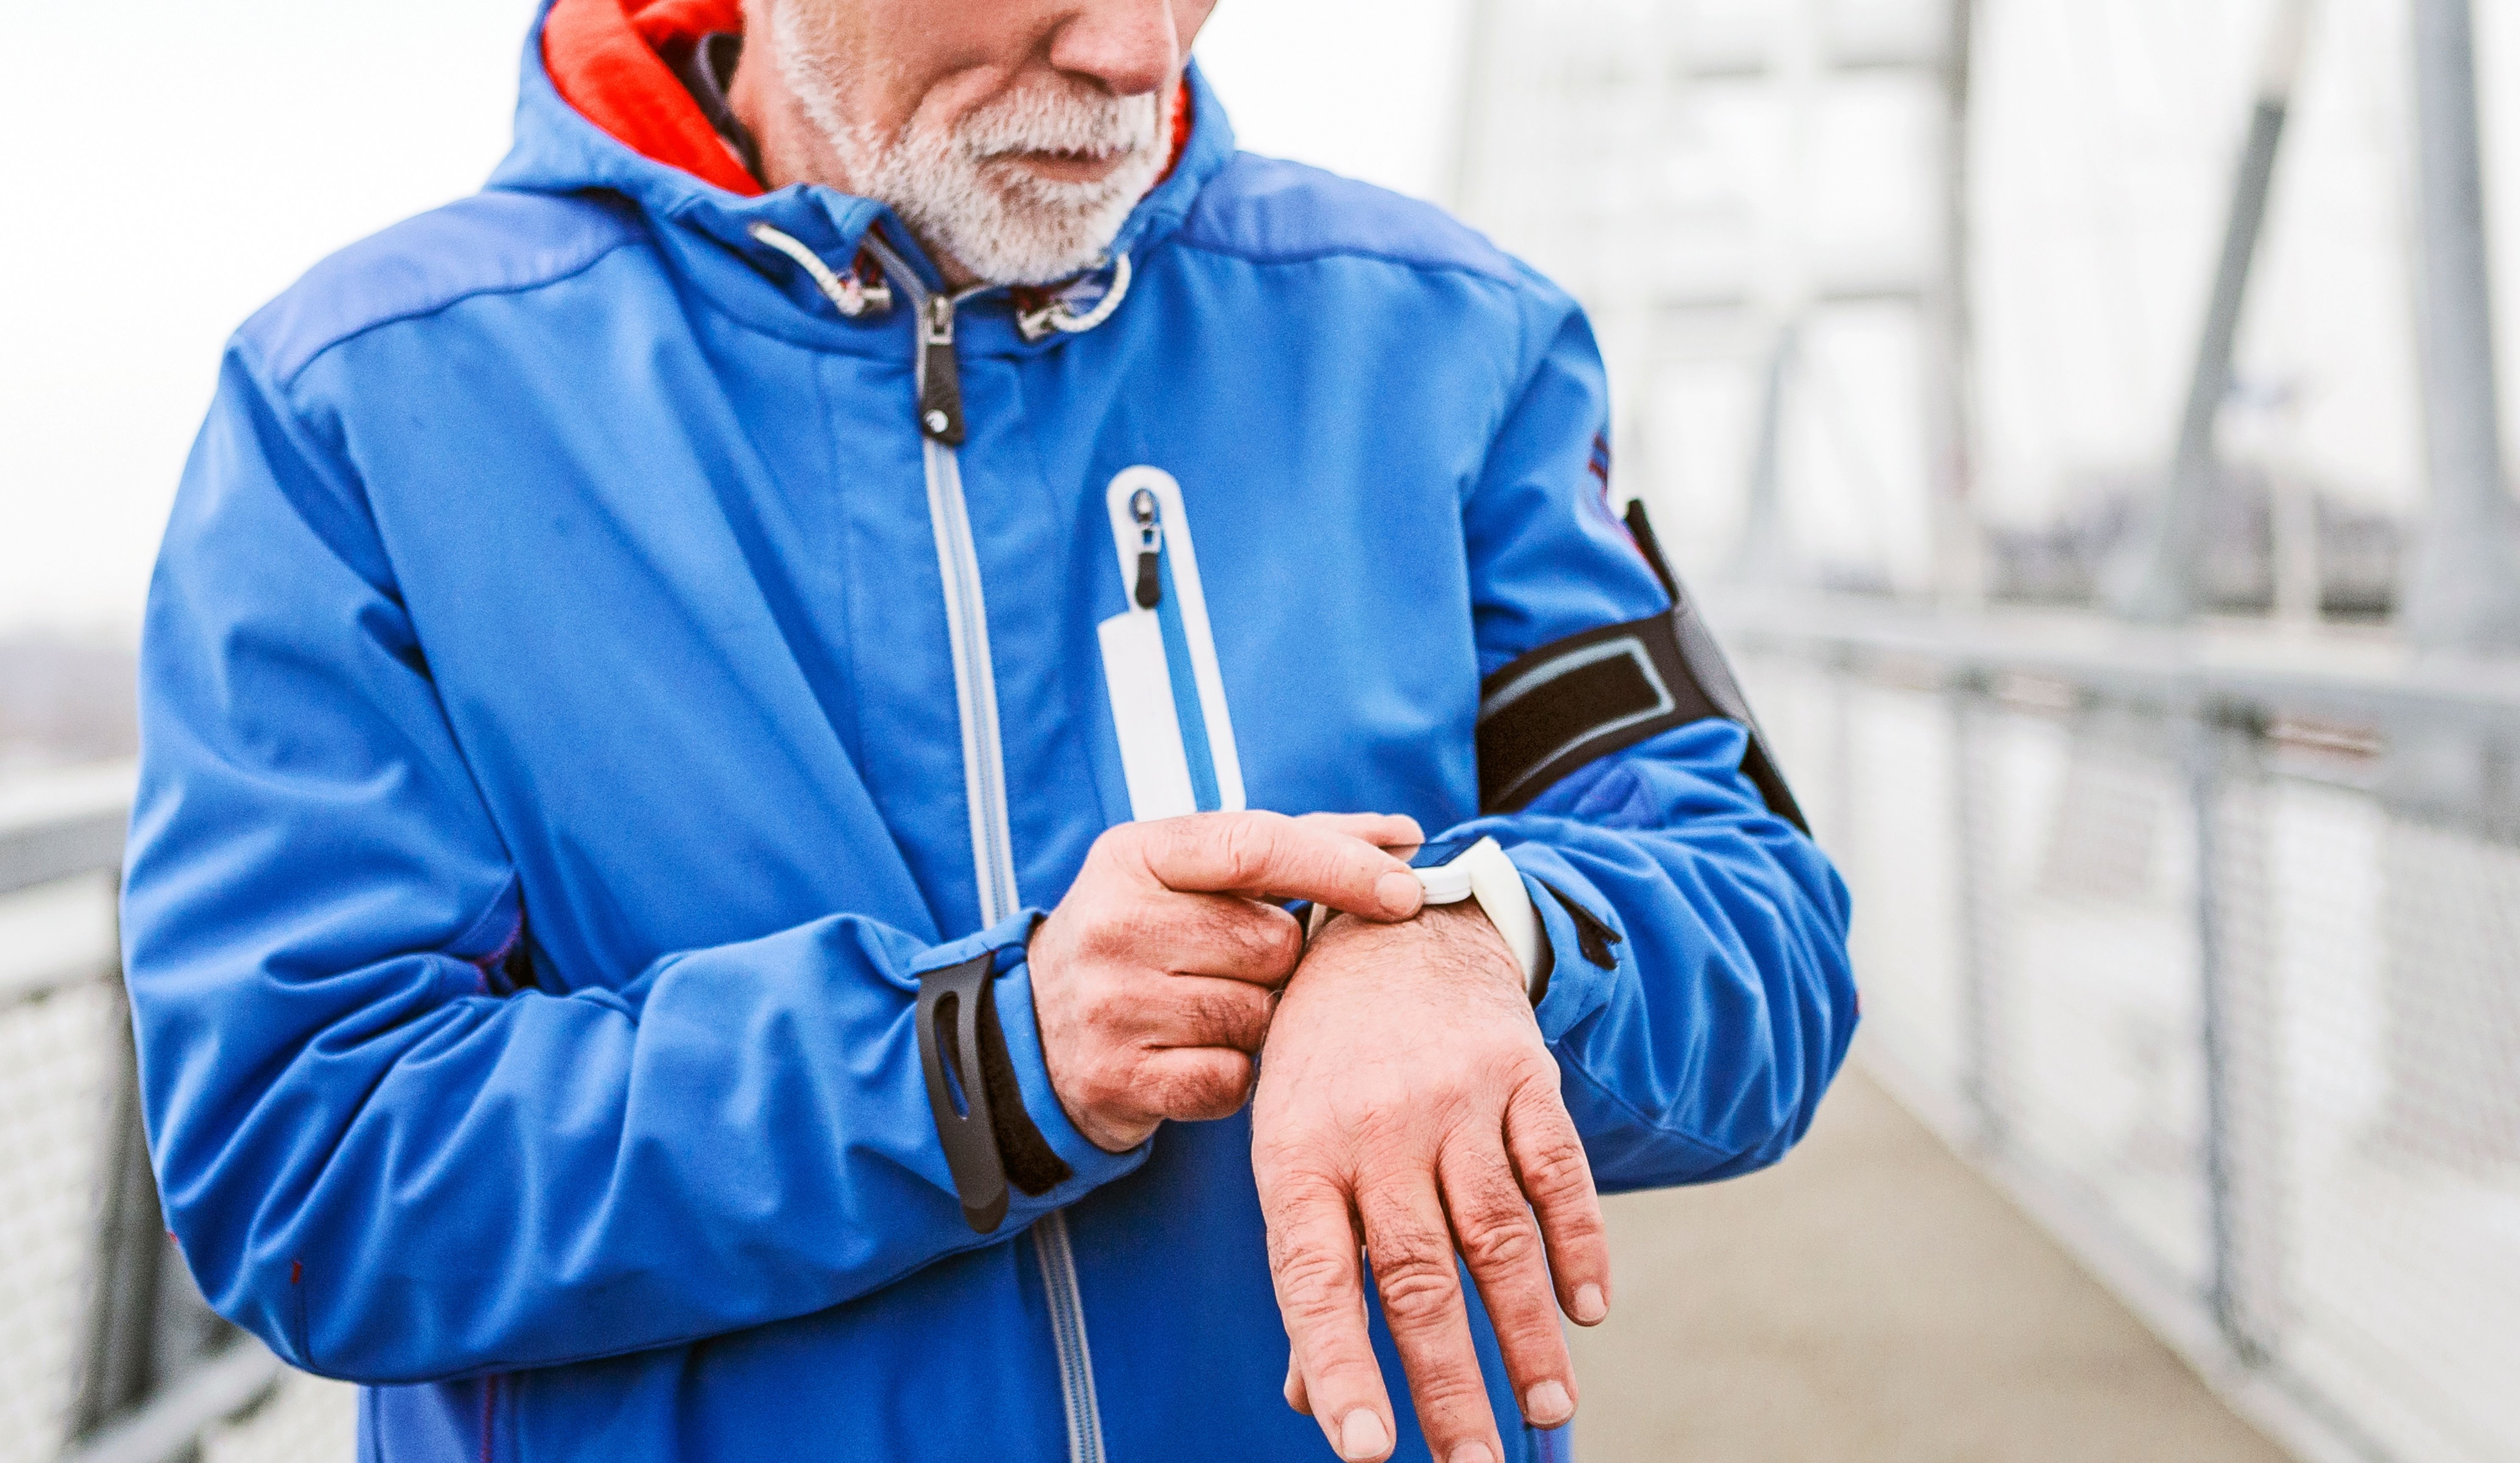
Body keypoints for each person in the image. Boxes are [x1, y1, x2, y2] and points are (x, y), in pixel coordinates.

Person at [119, 0, 1857, 1460]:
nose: (1128, 47)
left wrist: (1488, 942)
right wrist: (977, 1071)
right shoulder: (359, 406)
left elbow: (1764, 933)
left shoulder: (1452, 339)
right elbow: (307, 1163)